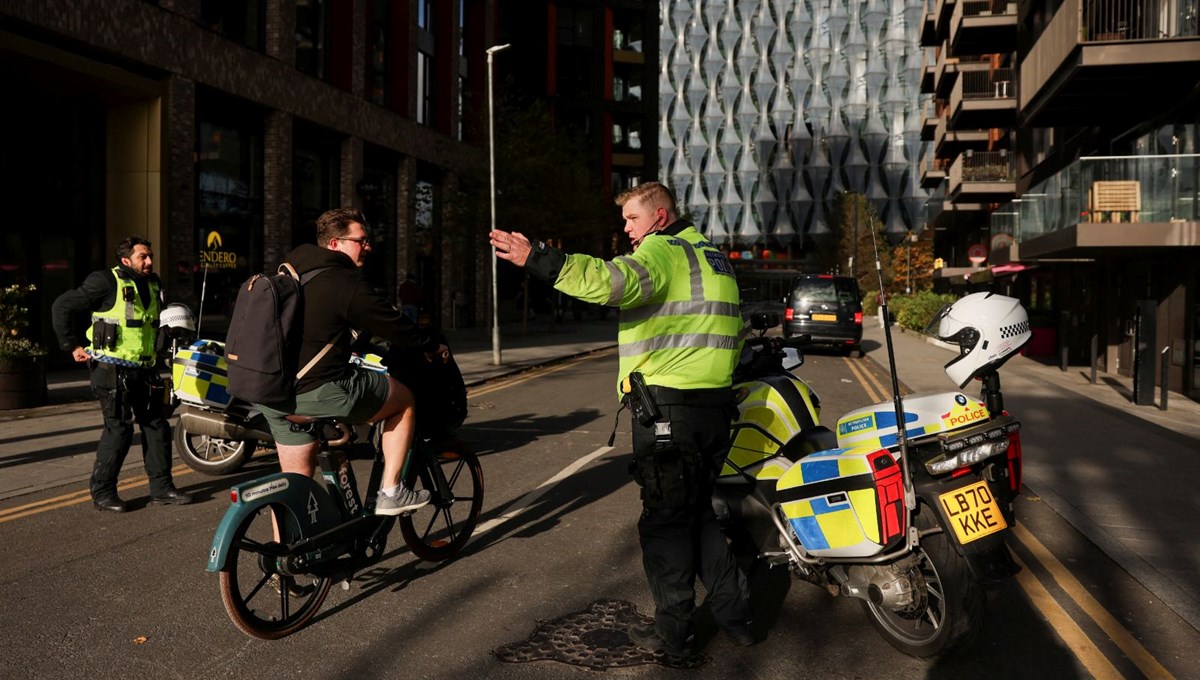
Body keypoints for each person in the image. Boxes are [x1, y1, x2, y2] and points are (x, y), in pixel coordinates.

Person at [489, 182, 754, 655]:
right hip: (713, 407)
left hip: (670, 411)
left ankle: (675, 635)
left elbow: (613, 282)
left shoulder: (664, 251)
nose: (627, 230)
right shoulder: (712, 256)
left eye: (632, 219)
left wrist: (540, 258)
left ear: (658, 216)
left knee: (666, 523)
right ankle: (737, 616)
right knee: (698, 515)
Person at [256, 208, 444, 516]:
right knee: (404, 400)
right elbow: (394, 325)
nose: (368, 246)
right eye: (361, 240)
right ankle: (392, 491)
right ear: (334, 244)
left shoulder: (287, 273)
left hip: (273, 394)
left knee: (295, 487)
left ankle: (284, 559)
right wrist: (430, 344)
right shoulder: (343, 282)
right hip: (319, 389)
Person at [51, 236, 194, 513]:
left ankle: (161, 489)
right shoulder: (104, 281)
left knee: (157, 427)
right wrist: (71, 346)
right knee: (118, 430)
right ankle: (103, 493)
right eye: (143, 256)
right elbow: (62, 306)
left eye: (150, 255)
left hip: (145, 369)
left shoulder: (154, 283)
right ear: (126, 259)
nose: (150, 261)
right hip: (111, 370)